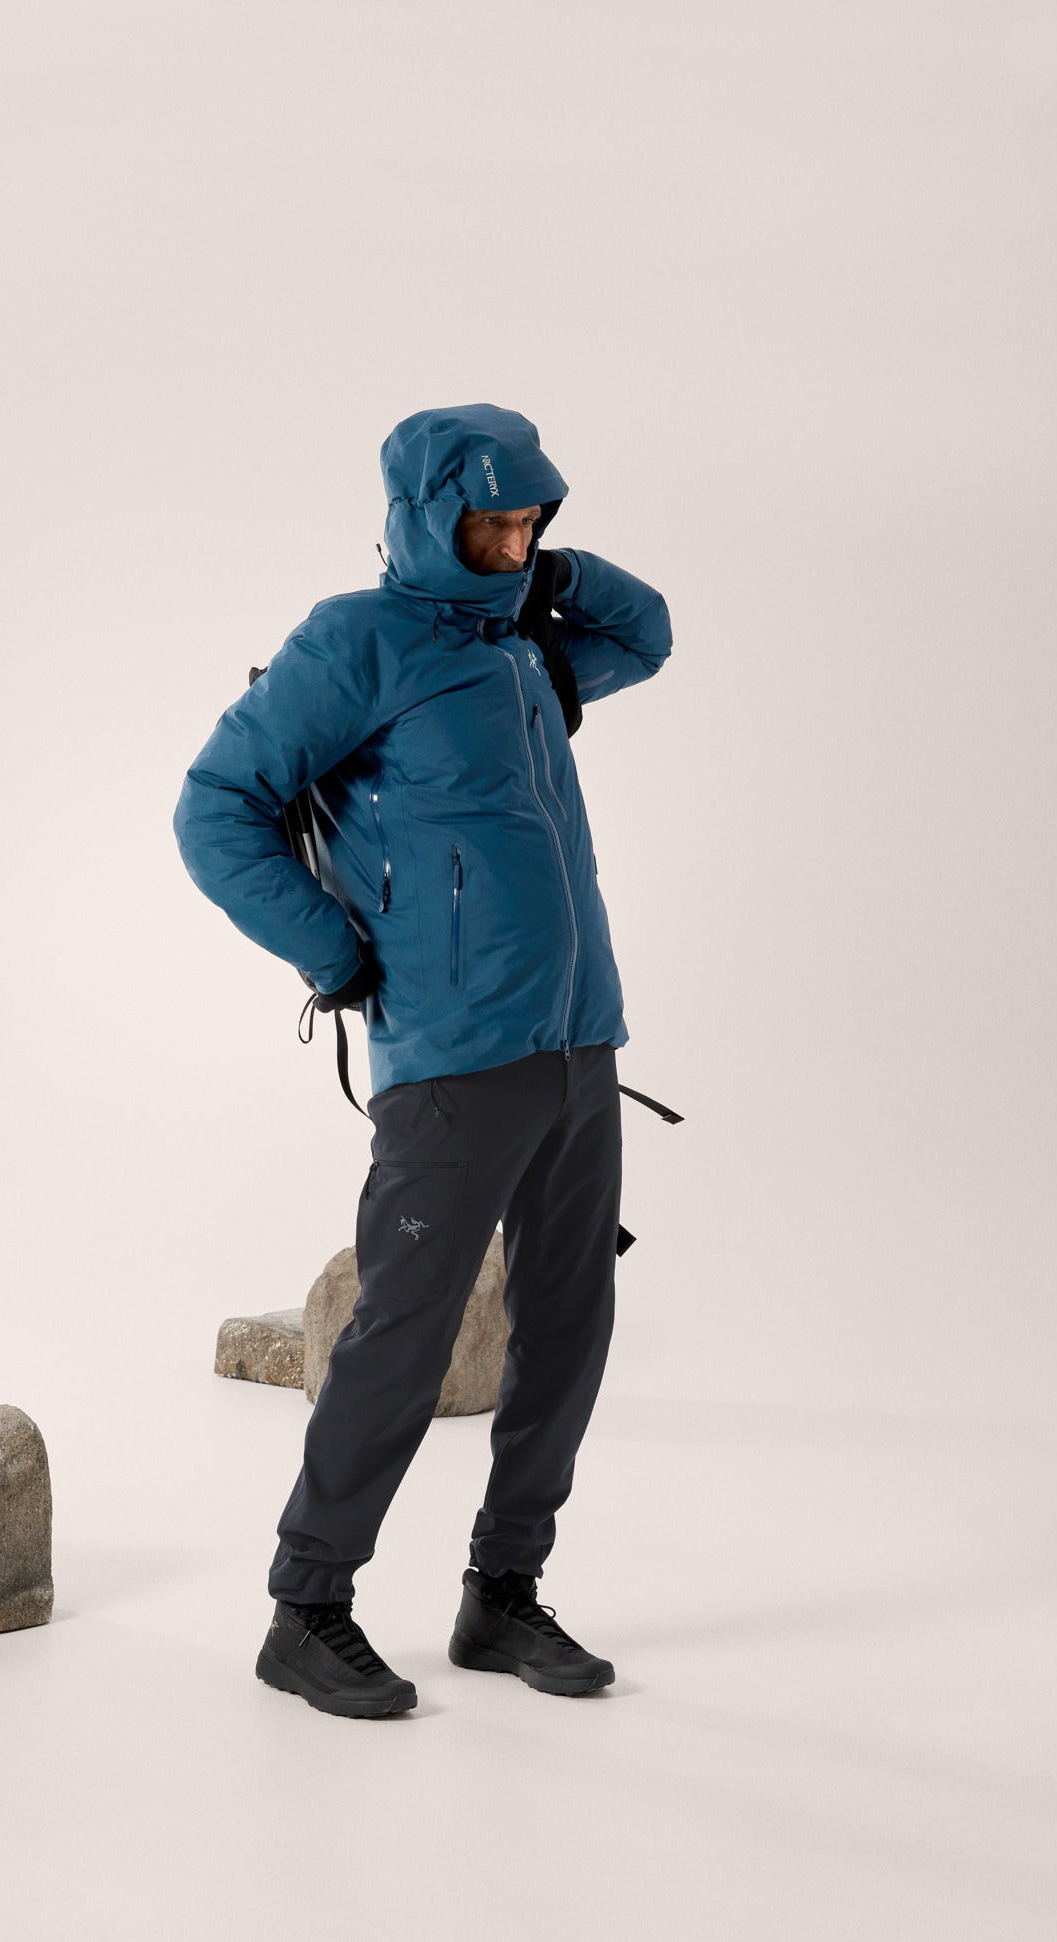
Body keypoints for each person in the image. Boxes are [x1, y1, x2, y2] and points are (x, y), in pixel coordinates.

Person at [174, 404, 672, 1717]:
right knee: (402, 1334)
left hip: (579, 1042)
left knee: (569, 1325)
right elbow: (215, 806)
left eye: (532, 520)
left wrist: (552, 576)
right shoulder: (358, 642)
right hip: (453, 1055)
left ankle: (503, 1594)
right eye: (490, 521)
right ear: (425, 518)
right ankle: (306, 1608)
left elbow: (647, 633)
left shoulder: (527, 648)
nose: (514, 542)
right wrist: (333, 959)